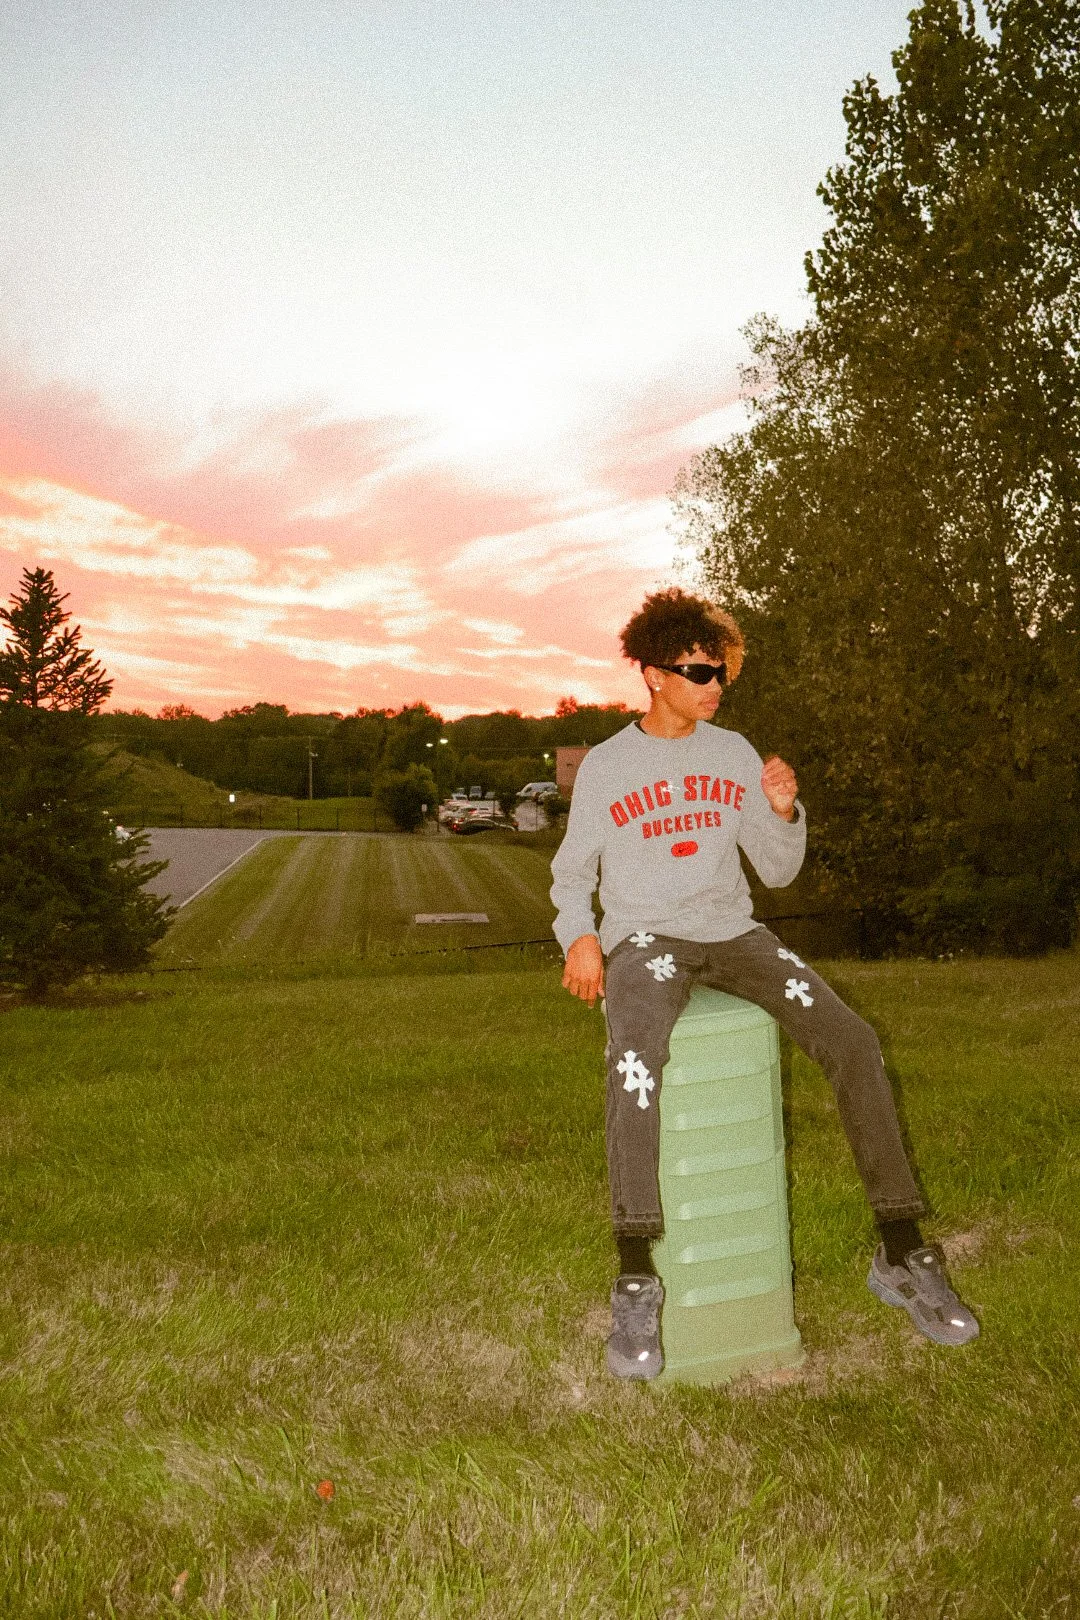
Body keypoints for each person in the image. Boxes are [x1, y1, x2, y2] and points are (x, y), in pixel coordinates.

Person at [550, 587, 978, 1379]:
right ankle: (636, 1269)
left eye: (722, 673)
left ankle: (901, 1248)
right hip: (647, 940)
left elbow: (778, 873)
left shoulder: (736, 755)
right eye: (699, 671)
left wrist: (782, 811)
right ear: (653, 675)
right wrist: (578, 935)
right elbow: (572, 873)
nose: (715, 685)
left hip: (736, 934)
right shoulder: (610, 767)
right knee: (635, 1055)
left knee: (853, 1039)